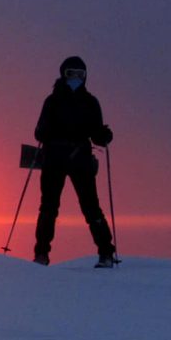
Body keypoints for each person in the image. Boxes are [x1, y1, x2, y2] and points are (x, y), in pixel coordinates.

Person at [33, 56, 115, 268]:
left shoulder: (90, 102)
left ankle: (106, 252)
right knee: (49, 208)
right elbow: (40, 132)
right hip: (58, 159)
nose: (76, 78)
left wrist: (104, 135)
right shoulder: (52, 102)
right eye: (72, 74)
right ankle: (41, 254)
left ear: (86, 76)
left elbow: (96, 134)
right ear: (63, 74)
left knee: (90, 207)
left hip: (76, 160)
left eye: (80, 74)